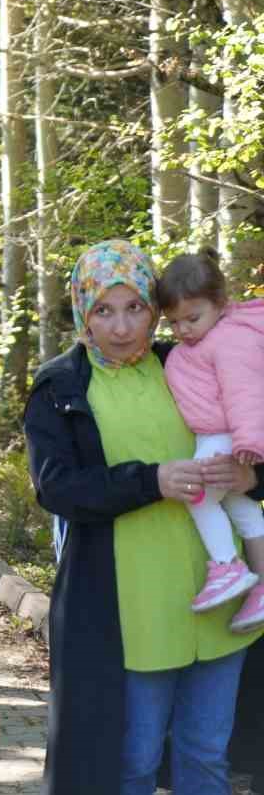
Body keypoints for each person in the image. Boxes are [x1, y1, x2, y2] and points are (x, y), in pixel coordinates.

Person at [27, 239, 264, 795]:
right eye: (104, 310)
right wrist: (151, 480)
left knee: (207, 758)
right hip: (130, 613)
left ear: (155, 308)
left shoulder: (186, 357)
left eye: (135, 308)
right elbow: (56, 486)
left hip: (222, 604)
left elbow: (253, 426)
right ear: (83, 309)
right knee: (130, 763)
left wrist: (251, 478)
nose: (121, 327)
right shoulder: (62, 385)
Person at [156, 250, 264, 627]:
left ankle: (226, 566)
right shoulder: (205, 340)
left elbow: (246, 391)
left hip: (224, 436)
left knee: (197, 493)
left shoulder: (229, 341)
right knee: (243, 509)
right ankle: (262, 589)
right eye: (173, 322)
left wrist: (250, 441)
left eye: (192, 317)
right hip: (220, 434)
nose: (183, 330)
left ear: (220, 303)